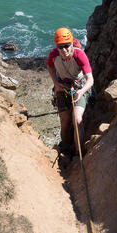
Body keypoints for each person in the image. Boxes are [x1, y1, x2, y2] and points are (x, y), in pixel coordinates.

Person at [47, 27, 94, 158]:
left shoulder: (79, 55)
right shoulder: (53, 54)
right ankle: (66, 146)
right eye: (60, 47)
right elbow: (49, 66)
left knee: (77, 119)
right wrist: (56, 83)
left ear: (72, 43)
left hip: (80, 87)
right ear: (57, 47)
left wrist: (82, 91)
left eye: (67, 46)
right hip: (63, 87)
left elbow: (90, 79)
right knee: (65, 120)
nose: (64, 50)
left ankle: (78, 153)